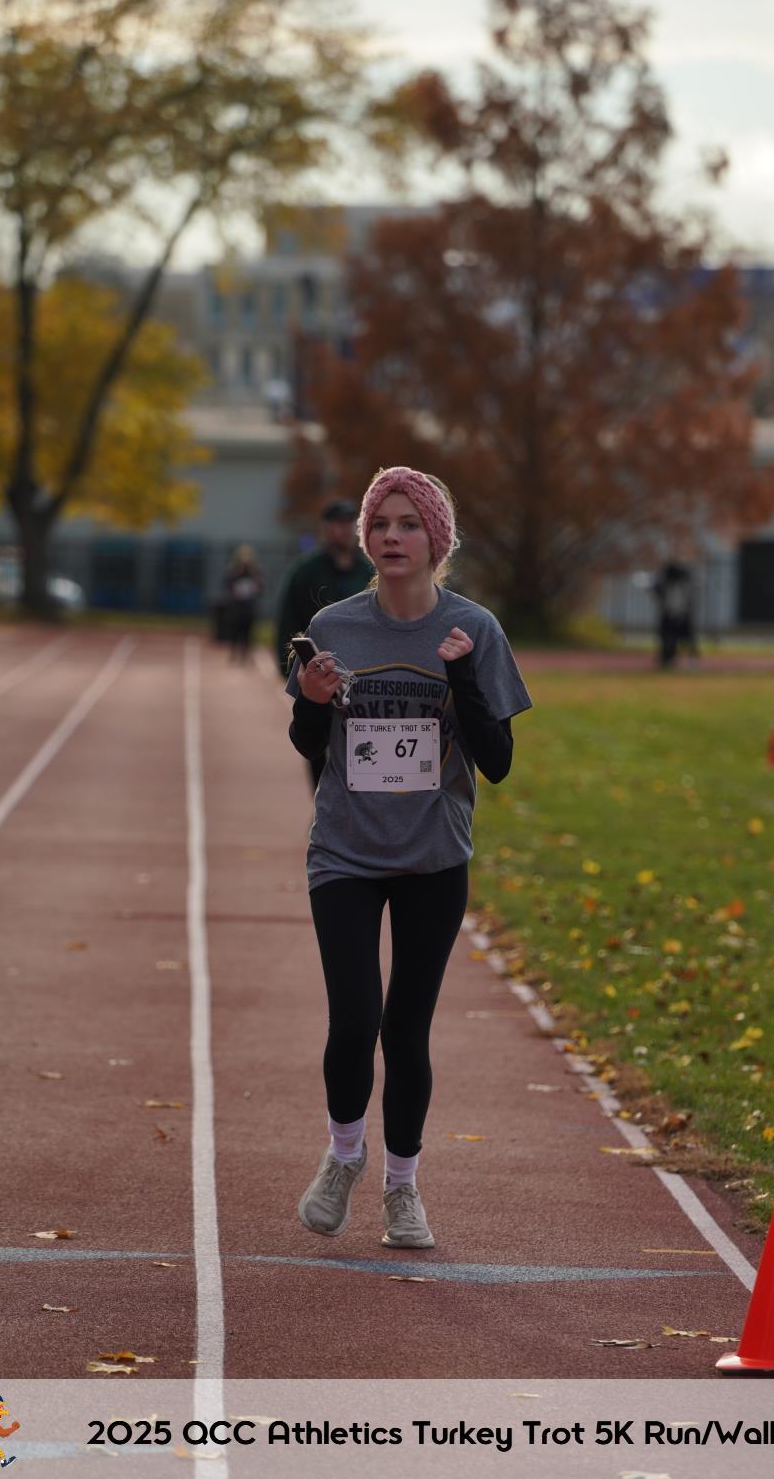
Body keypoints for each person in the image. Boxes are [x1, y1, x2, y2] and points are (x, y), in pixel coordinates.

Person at [286, 466, 532, 1249]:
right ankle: (343, 1157)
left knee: (406, 1028)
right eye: (380, 524)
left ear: (437, 540)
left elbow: (498, 762)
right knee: (355, 1016)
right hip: (345, 852)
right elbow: (307, 743)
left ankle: (403, 1187)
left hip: (433, 856)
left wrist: (461, 679)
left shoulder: (475, 629)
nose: (391, 537)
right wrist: (312, 701)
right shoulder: (333, 625)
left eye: (408, 524)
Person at [275, 498, 375, 786]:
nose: (344, 530)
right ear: (326, 528)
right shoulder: (306, 571)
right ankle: (322, 798)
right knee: (315, 744)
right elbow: (288, 619)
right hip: (317, 672)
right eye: (338, 524)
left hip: (360, 674)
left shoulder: (369, 572)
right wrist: (288, 668)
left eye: (350, 524)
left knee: (357, 740)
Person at [652, 558, 698, 669]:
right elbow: (658, 592)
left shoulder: (685, 585)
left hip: (682, 616)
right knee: (667, 639)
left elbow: (689, 601)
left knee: (687, 639)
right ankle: (667, 659)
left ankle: (691, 660)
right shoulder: (664, 585)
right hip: (669, 615)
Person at [222, 545, 264, 663]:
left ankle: (244, 655)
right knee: (234, 633)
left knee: (247, 634)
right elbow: (227, 586)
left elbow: (260, 589)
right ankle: (233, 654)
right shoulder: (234, 575)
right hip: (236, 609)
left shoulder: (254, 575)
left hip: (248, 609)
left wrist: (256, 584)